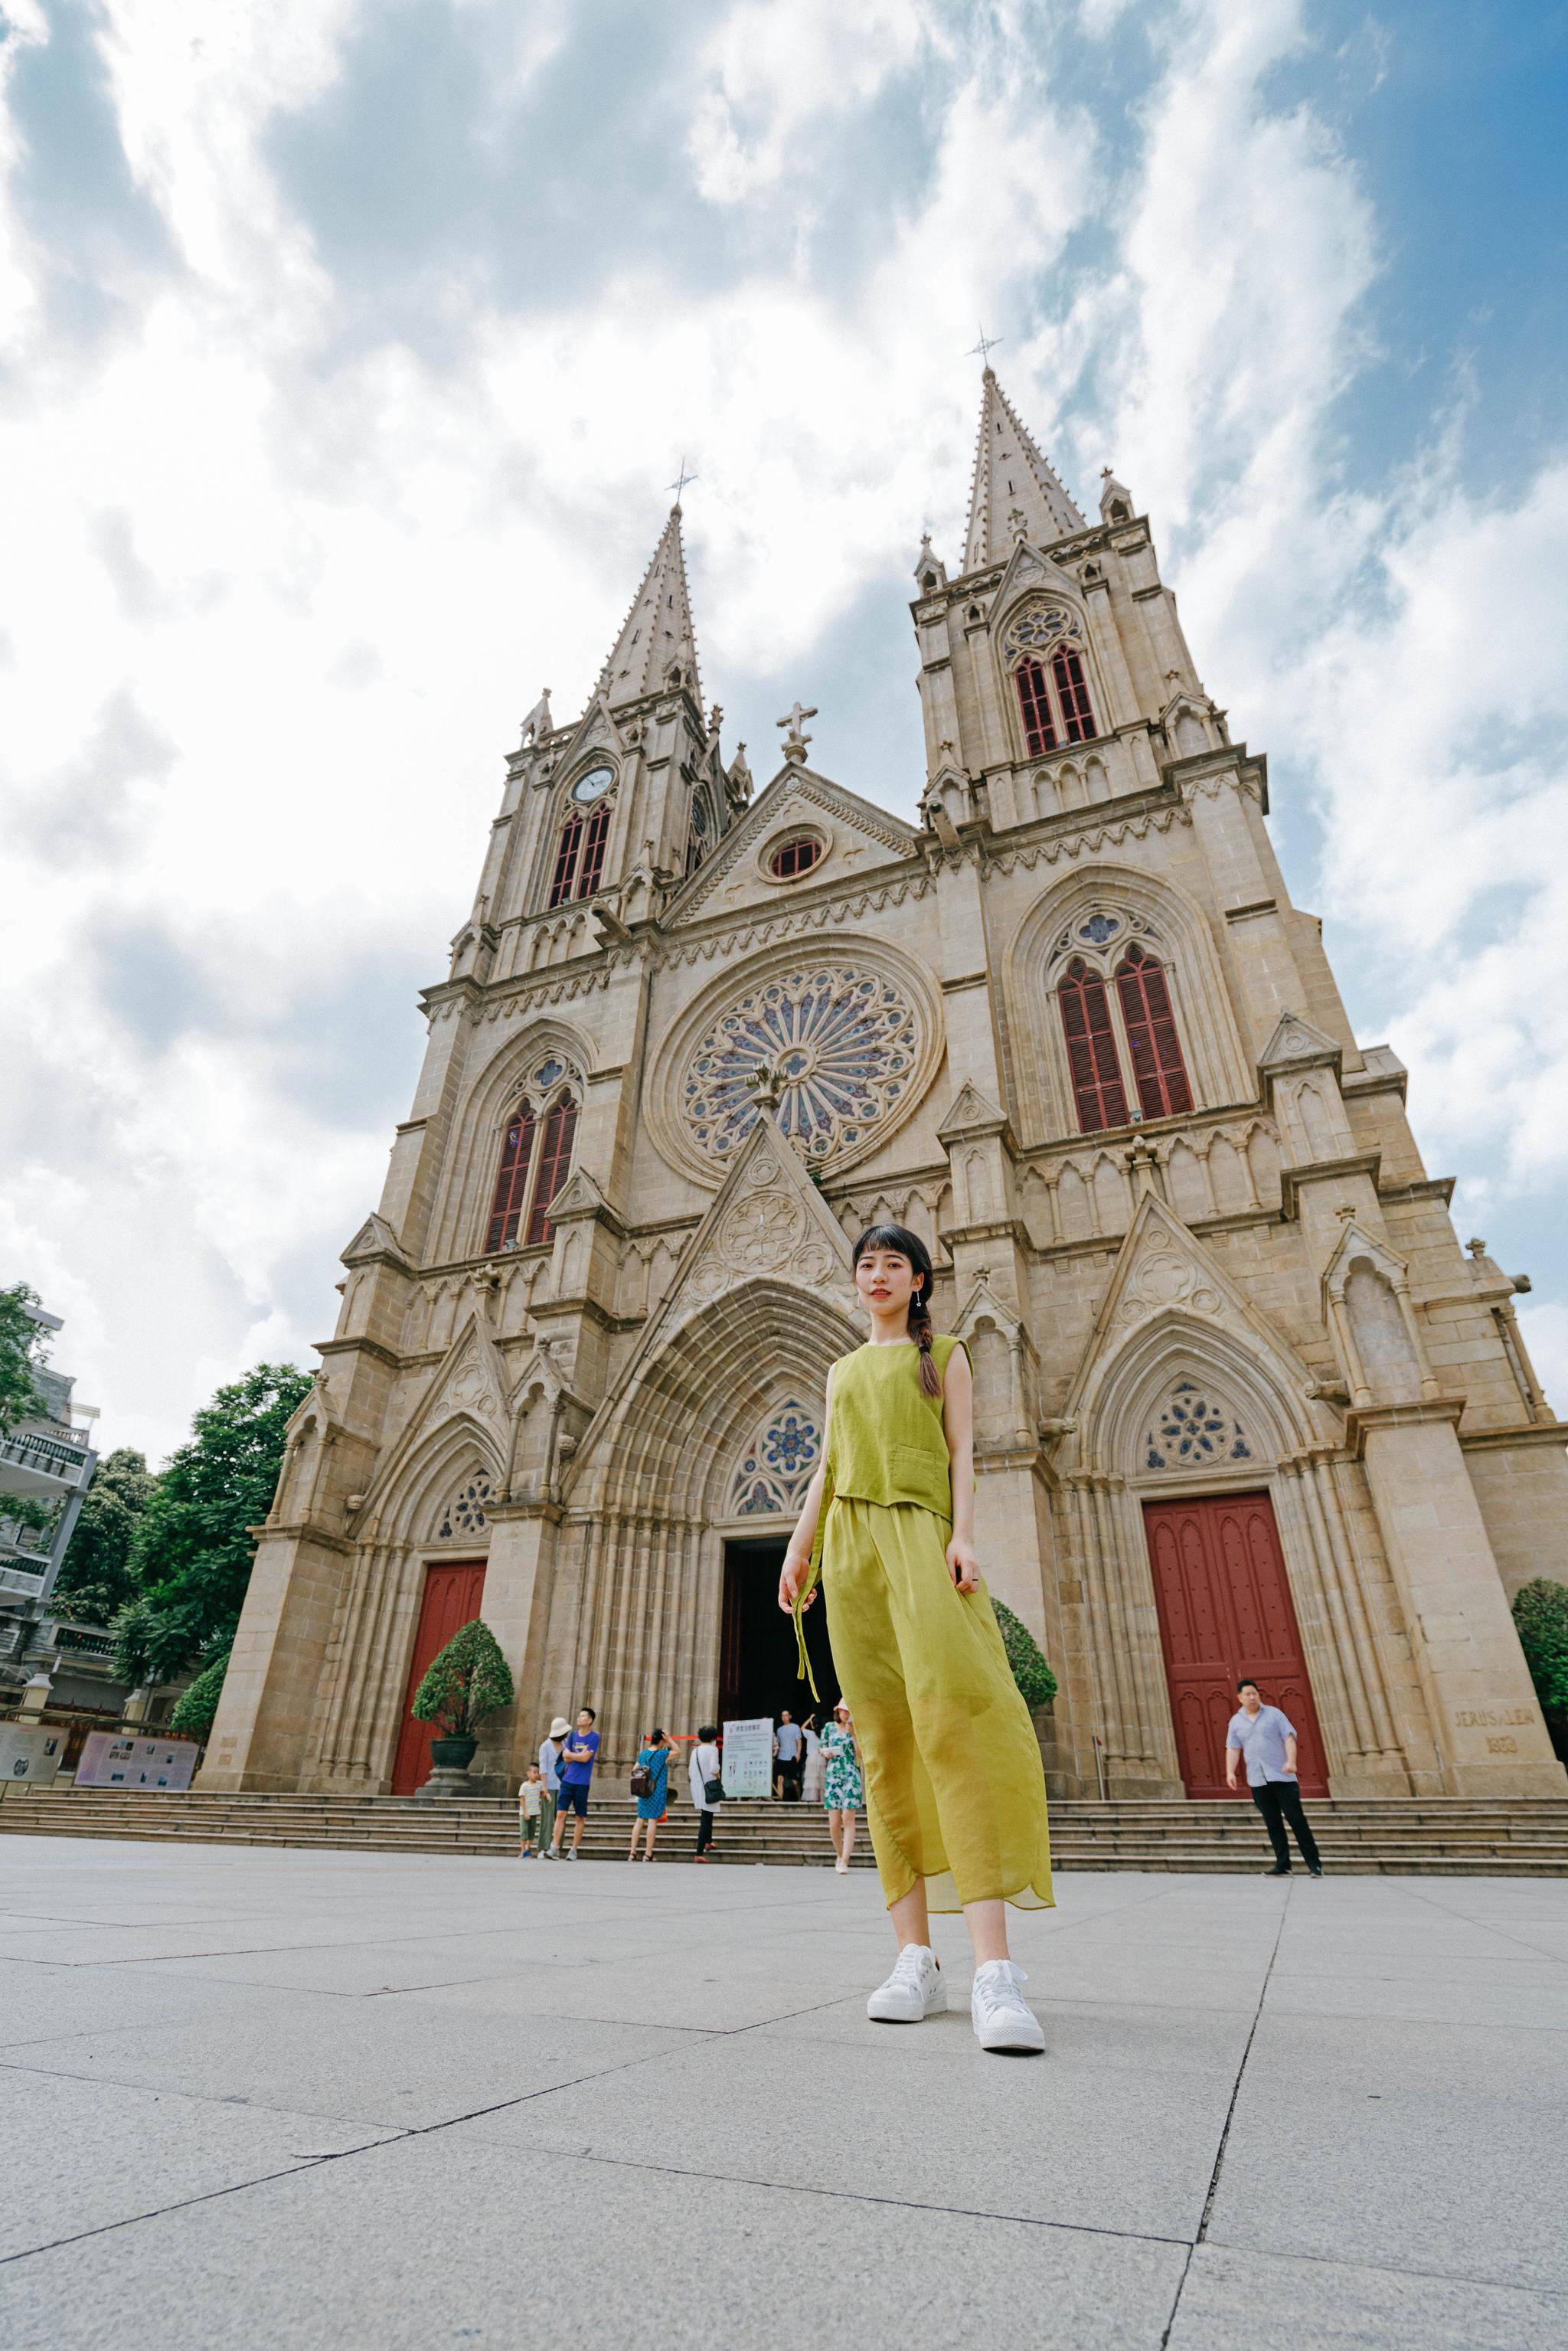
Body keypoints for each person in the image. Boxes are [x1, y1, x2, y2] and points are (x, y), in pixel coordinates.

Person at [780, 1222, 1053, 2055]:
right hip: (852, 1561)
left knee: (954, 1731)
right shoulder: (839, 1370)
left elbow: (963, 1448)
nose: (875, 1275)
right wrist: (799, 1545)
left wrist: (962, 1535)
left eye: (892, 1263)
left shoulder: (947, 1354)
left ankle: (992, 1970)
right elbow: (829, 1467)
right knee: (883, 1748)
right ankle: (913, 1957)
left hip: (923, 1541)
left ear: (919, 1280)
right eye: (865, 1265)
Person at [1226, 1679, 1324, 1877]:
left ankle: (1314, 1865)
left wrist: (1291, 1762)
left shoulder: (1274, 1714)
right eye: (1248, 1694)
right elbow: (1233, 1748)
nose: (1252, 1697)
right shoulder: (1236, 1722)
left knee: (1297, 1820)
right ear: (1240, 1698)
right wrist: (1230, 1772)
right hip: (1257, 1779)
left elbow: (1289, 1737)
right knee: (1272, 1823)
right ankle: (1283, 1865)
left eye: (1255, 1693)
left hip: (1282, 1777)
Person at [549, 1707, 599, 1859]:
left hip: (582, 1782)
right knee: (560, 1813)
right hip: (568, 1779)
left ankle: (574, 1849)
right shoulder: (572, 1736)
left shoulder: (594, 1738)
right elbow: (566, 1758)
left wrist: (573, 1755)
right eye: (579, 1716)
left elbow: (586, 1759)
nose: (579, 1718)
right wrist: (577, 1755)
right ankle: (555, 1847)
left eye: (583, 1716)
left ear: (590, 1720)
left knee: (579, 1817)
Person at [819, 1699, 862, 1874]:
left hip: (851, 1774)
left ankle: (845, 1861)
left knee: (848, 1819)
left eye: (849, 1711)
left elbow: (860, 1755)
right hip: (834, 1775)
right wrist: (826, 1752)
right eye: (844, 1711)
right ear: (838, 1711)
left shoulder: (856, 1729)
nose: (847, 1714)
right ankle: (839, 1854)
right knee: (834, 1823)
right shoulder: (829, 1727)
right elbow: (821, 1749)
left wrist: (853, 1735)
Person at [628, 1726, 671, 1862]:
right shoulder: (662, 1754)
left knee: (640, 1820)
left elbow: (634, 1770)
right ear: (661, 1741)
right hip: (657, 1791)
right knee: (652, 1820)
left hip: (643, 1790)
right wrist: (669, 1739)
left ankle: (632, 1853)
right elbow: (679, 1752)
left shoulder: (644, 1754)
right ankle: (648, 1854)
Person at [537, 1715, 570, 1859]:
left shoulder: (566, 1744)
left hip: (563, 1785)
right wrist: (544, 1788)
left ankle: (556, 1847)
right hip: (549, 1785)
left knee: (561, 1817)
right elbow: (543, 1769)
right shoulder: (545, 1746)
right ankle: (544, 1847)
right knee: (547, 1817)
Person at [690, 1722, 722, 1861]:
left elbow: (691, 1770)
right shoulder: (713, 1750)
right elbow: (714, 1768)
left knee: (707, 1814)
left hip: (697, 1786)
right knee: (706, 1819)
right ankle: (699, 1853)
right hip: (709, 1787)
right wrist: (718, 1776)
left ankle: (708, 1841)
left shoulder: (695, 1751)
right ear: (713, 1737)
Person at [773, 1708, 804, 1800]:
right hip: (781, 1757)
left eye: (786, 1715)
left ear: (790, 1716)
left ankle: (799, 1798)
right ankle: (780, 1800)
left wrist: (798, 1754)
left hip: (792, 1757)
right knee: (780, 1779)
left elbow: (799, 1742)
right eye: (783, 1715)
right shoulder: (779, 1730)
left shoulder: (795, 1727)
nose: (784, 1717)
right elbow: (777, 1744)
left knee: (795, 1781)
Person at [518, 1763, 543, 1858]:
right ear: (528, 1774)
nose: (537, 1775)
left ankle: (528, 1850)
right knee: (524, 1832)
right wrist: (525, 1812)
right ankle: (522, 1851)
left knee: (531, 1832)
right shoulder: (524, 1786)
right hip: (525, 1813)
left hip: (534, 1812)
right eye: (534, 1772)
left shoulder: (539, 1784)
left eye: (538, 1773)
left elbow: (542, 1793)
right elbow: (522, 1800)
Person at [801, 1712, 824, 1805]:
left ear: (812, 1725)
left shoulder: (810, 1733)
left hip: (811, 1758)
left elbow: (801, 1728)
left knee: (813, 1779)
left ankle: (814, 1799)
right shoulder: (822, 1733)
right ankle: (822, 1800)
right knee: (822, 1779)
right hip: (821, 1757)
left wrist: (810, 1718)